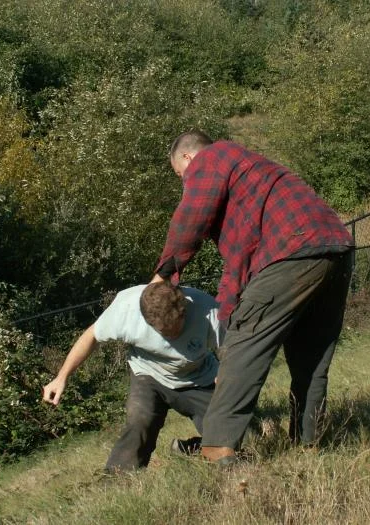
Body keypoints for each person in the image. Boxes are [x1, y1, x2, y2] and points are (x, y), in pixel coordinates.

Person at [151, 130, 355, 465]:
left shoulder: (212, 157)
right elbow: (241, 265)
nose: (185, 182)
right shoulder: (253, 175)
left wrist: (163, 274)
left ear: (188, 158)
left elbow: (191, 216)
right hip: (334, 247)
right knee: (311, 358)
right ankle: (309, 444)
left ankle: (216, 449)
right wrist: (231, 326)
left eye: (180, 176)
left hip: (293, 249)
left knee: (245, 344)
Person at [42, 281, 221, 473]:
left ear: (183, 311)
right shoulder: (126, 308)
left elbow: (231, 348)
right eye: (164, 332)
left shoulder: (207, 309)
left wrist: (225, 376)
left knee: (241, 433)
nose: (171, 338)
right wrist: (61, 377)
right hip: (148, 374)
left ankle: (195, 448)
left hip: (199, 376)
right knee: (139, 418)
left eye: (176, 328)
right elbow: (91, 336)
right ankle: (117, 477)